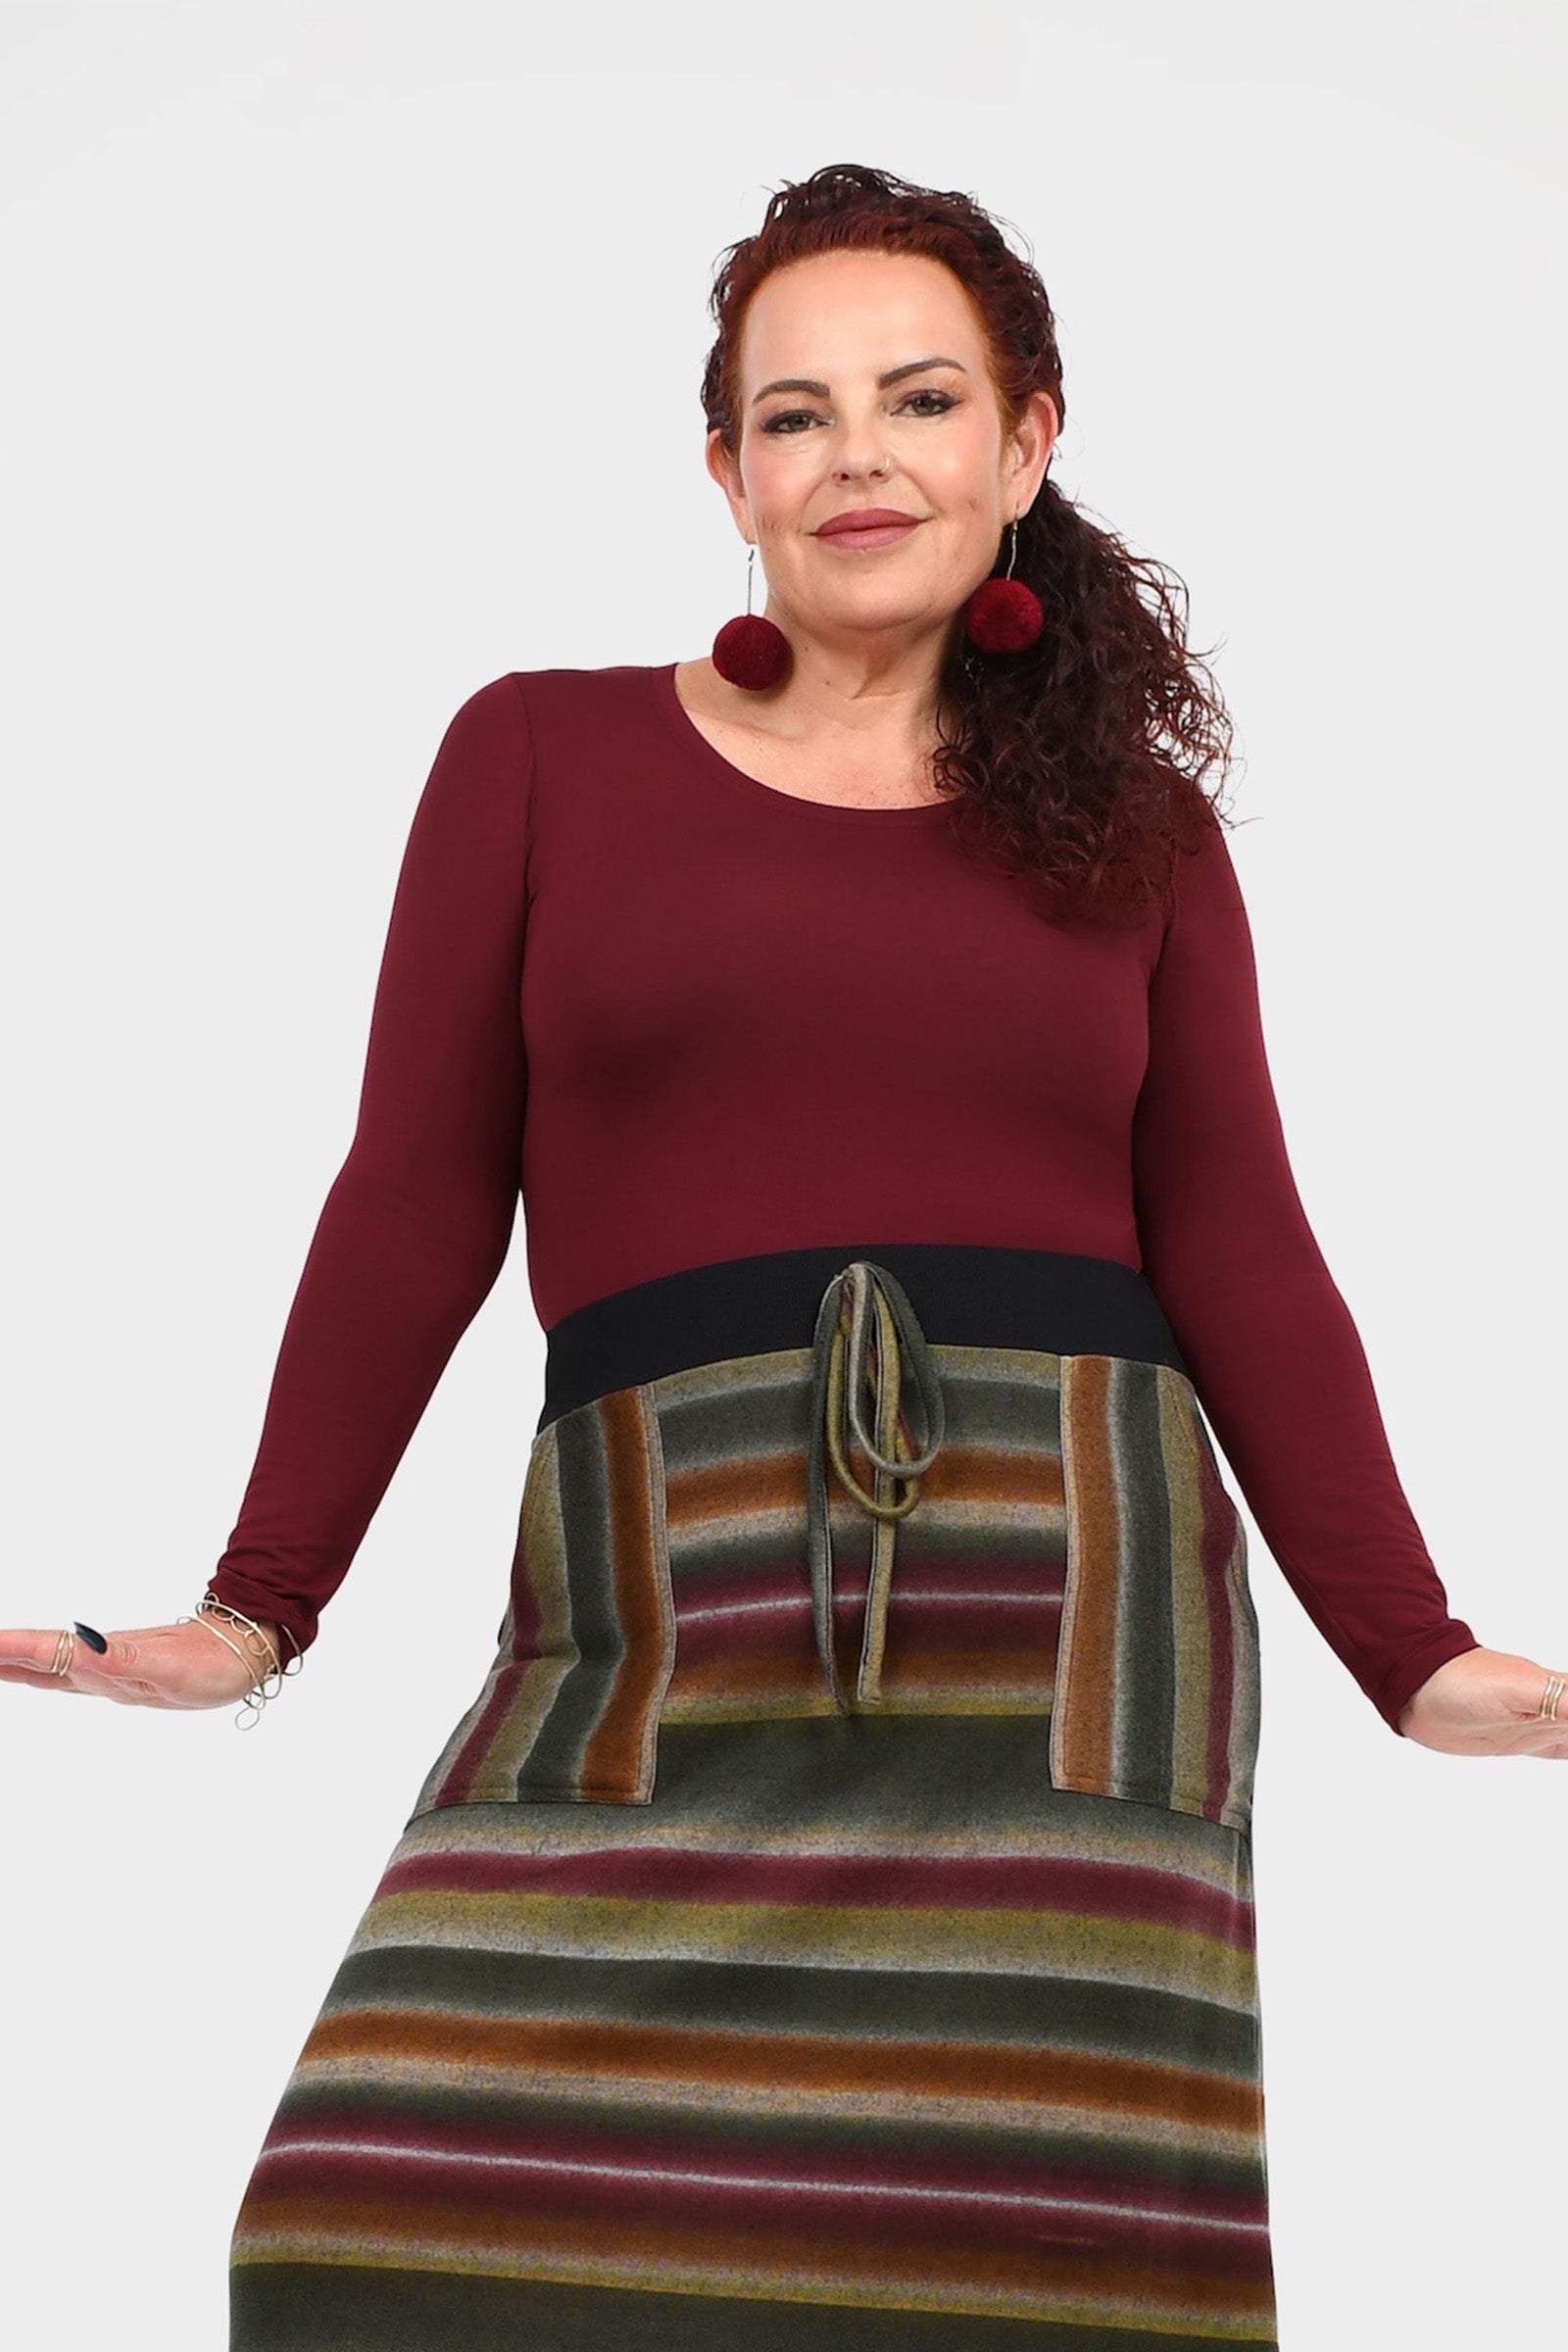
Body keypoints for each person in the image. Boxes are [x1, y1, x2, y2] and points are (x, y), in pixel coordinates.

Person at [4, 161, 1563, 2350]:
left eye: (919, 401)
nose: (857, 459)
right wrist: (257, 1605)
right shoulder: (536, 751)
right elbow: (414, 1195)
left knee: (1022, 2299)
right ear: (726, 471)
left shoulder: (1141, 829)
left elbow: (1243, 1244)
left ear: (1023, 442)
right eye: (795, 414)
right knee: (364, 2248)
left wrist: (1411, 1649)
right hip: (657, 1596)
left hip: (1068, 1624)